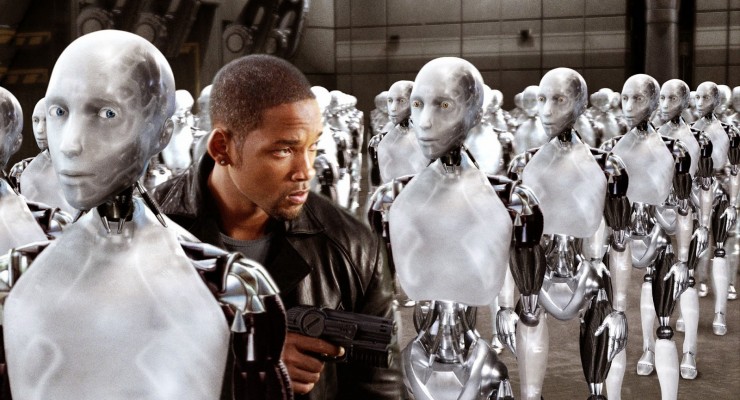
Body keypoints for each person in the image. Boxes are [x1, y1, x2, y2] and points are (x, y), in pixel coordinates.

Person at [2, 30, 288, 400]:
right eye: (59, 112)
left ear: (162, 133)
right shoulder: (11, 279)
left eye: (106, 114)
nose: (70, 143)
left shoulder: (234, 288)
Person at [152, 54, 402, 400]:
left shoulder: (353, 247)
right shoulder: (142, 233)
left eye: (312, 147)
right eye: (284, 150)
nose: (306, 171)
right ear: (223, 148)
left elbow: (378, 389)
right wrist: (244, 362)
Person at [500, 68, 630, 400]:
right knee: (530, 315)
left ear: (579, 104)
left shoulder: (606, 166)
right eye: (543, 99)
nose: (547, 110)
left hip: (587, 273)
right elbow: (511, 239)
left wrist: (619, 309)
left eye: (558, 100)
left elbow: (619, 240)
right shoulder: (522, 166)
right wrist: (504, 304)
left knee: (602, 333)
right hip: (539, 273)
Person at [11, 97, 76, 215]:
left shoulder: (84, 170)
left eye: (47, 120)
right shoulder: (20, 171)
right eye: (36, 120)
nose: (40, 130)